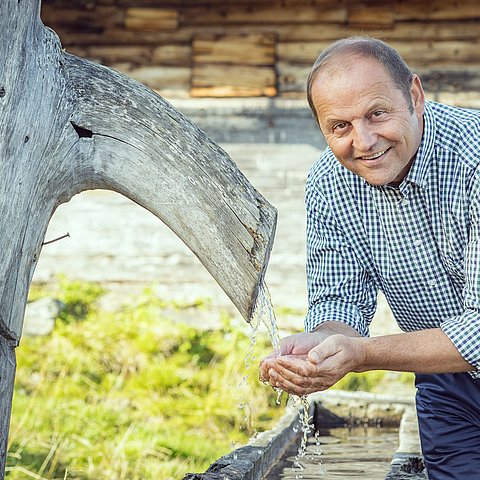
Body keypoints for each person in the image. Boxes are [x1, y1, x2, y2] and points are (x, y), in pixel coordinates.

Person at [259, 36, 480, 480]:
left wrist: (361, 354)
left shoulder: (473, 160)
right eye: (339, 126)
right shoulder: (328, 183)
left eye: (377, 114)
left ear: (415, 96)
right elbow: (340, 301)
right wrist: (319, 347)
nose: (364, 141)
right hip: (444, 375)